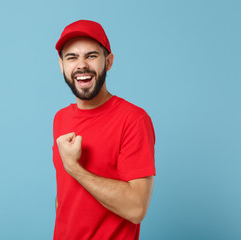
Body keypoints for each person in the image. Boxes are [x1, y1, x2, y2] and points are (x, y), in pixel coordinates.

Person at [52, 20, 156, 240]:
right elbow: (65, 197)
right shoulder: (60, 118)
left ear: (108, 62)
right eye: (71, 57)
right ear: (61, 65)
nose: (81, 65)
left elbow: (137, 209)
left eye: (91, 56)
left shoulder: (133, 120)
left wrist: (73, 167)